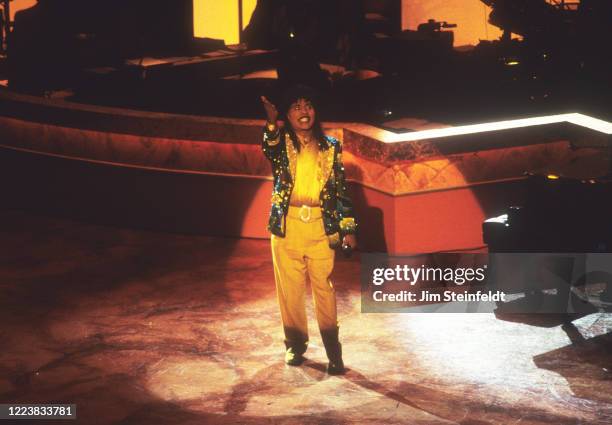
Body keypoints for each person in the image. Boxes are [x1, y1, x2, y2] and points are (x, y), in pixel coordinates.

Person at [260, 86, 357, 375]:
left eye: (308, 106)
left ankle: (333, 352)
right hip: (287, 227)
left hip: (319, 226)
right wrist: (270, 122)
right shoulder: (281, 144)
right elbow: (270, 146)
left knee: (324, 290)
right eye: (297, 107)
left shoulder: (331, 146)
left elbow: (341, 191)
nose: (304, 112)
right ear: (287, 115)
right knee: (289, 291)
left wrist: (348, 228)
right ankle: (295, 345)